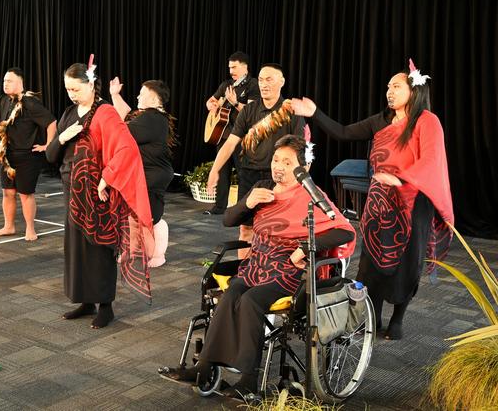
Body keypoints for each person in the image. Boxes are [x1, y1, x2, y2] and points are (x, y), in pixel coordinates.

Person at [160, 135, 354, 399]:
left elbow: (345, 231)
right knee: (230, 296)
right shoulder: (264, 188)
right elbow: (229, 219)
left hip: (288, 270)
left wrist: (305, 247)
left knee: (251, 301)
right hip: (256, 265)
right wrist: (248, 203)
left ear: (303, 168)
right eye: (276, 160)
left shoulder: (311, 195)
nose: (279, 166)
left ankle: (249, 379)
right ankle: (202, 368)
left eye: (287, 162)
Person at [290, 60, 454, 340]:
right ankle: (373, 314)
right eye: (388, 86)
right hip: (380, 201)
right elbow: (343, 132)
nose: (389, 91)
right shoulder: (381, 121)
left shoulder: (427, 121)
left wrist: (402, 178)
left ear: (414, 91)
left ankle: (398, 318)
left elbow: (431, 160)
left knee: (407, 261)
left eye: (396, 86)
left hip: (413, 201)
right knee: (372, 261)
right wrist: (314, 112)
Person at [45, 59, 154, 329]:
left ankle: (105, 306)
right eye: (68, 89)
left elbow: (127, 149)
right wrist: (62, 137)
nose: (71, 95)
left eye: (76, 89)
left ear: (91, 84)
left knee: (99, 247)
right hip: (72, 191)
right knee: (77, 248)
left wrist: (106, 178)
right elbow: (50, 155)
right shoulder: (70, 113)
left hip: (96, 194)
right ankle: (85, 300)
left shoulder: (105, 112)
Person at [207, 63, 305, 256]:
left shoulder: (292, 112)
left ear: (282, 82)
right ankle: (244, 274)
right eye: (261, 79)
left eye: (269, 79)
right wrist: (214, 170)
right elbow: (230, 144)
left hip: (279, 180)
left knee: (280, 232)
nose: (264, 84)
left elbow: (301, 152)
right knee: (246, 229)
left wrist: (298, 182)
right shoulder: (249, 111)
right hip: (249, 177)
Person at [0, 68, 56, 241]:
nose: (5, 84)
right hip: (7, 155)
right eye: (4, 81)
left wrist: (48, 145)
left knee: (25, 194)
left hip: (27, 157)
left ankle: (30, 229)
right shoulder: (3, 100)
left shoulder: (30, 102)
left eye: (10, 81)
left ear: (20, 83)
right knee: (7, 192)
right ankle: (9, 226)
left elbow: (51, 122)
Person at [109, 76, 176, 267]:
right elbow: (126, 115)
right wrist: (115, 95)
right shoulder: (150, 116)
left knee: (150, 217)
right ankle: (132, 249)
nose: (138, 96)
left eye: (142, 93)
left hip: (152, 176)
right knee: (132, 214)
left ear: (154, 100)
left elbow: (121, 130)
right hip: (144, 175)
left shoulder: (152, 118)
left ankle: (157, 255)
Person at [204, 52, 260, 215]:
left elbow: (251, 112)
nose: (231, 71)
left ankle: (242, 208)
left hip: (241, 136)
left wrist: (235, 102)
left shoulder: (253, 85)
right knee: (222, 170)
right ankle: (219, 207)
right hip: (223, 134)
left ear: (245, 67)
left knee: (243, 172)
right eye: (230, 67)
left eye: (234, 67)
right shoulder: (226, 85)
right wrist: (212, 105)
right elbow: (210, 101)